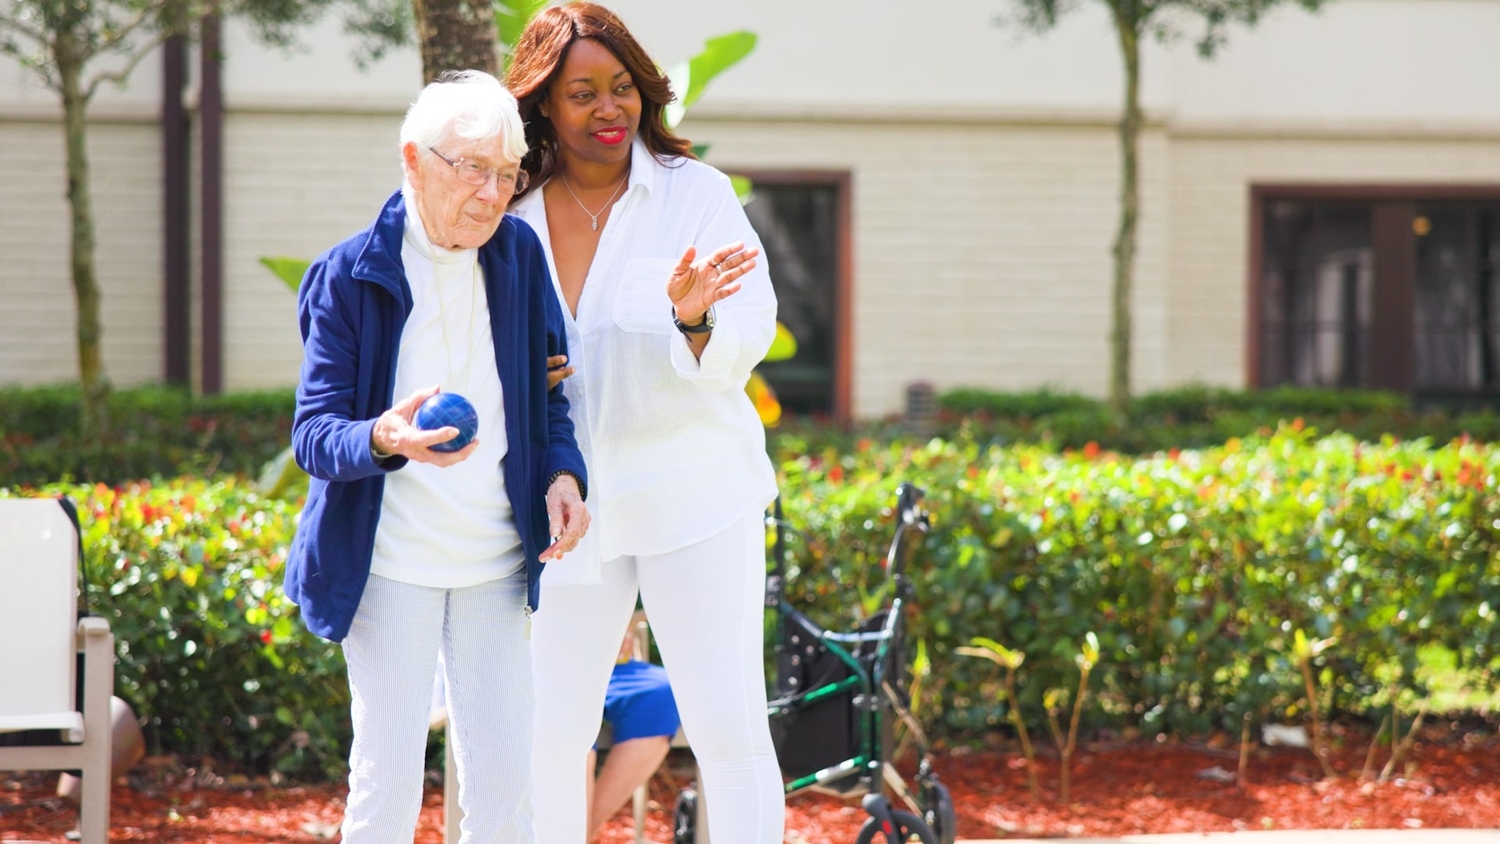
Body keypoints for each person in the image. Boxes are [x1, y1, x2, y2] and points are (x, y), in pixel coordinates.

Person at [283, 69, 589, 843]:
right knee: (386, 784)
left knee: (503, 787)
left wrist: (562, 476)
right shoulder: (350, 277)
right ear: (415, 161)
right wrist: (387, 435)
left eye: (507, 173)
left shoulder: (517, 258)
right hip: (391, 564)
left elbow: (548, 397)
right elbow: (314, 435)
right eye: (472, 169)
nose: (492, 194)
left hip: (492, 562)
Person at [505, 5, 783, 842]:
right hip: (563, 511)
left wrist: (695, 319)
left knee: (727, 729)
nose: (608, 110)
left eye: (621, 88)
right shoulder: (509, 213)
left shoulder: (693, 195)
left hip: (694, 498)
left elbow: (752, 326)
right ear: (543, 106)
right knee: (546, 736)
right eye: (582, 92)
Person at [587, 618, 682, 841]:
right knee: (569, 718)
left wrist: (623, 621)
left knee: (662, 695)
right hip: (553, 662)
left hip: (617, 669)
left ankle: (583, 833)